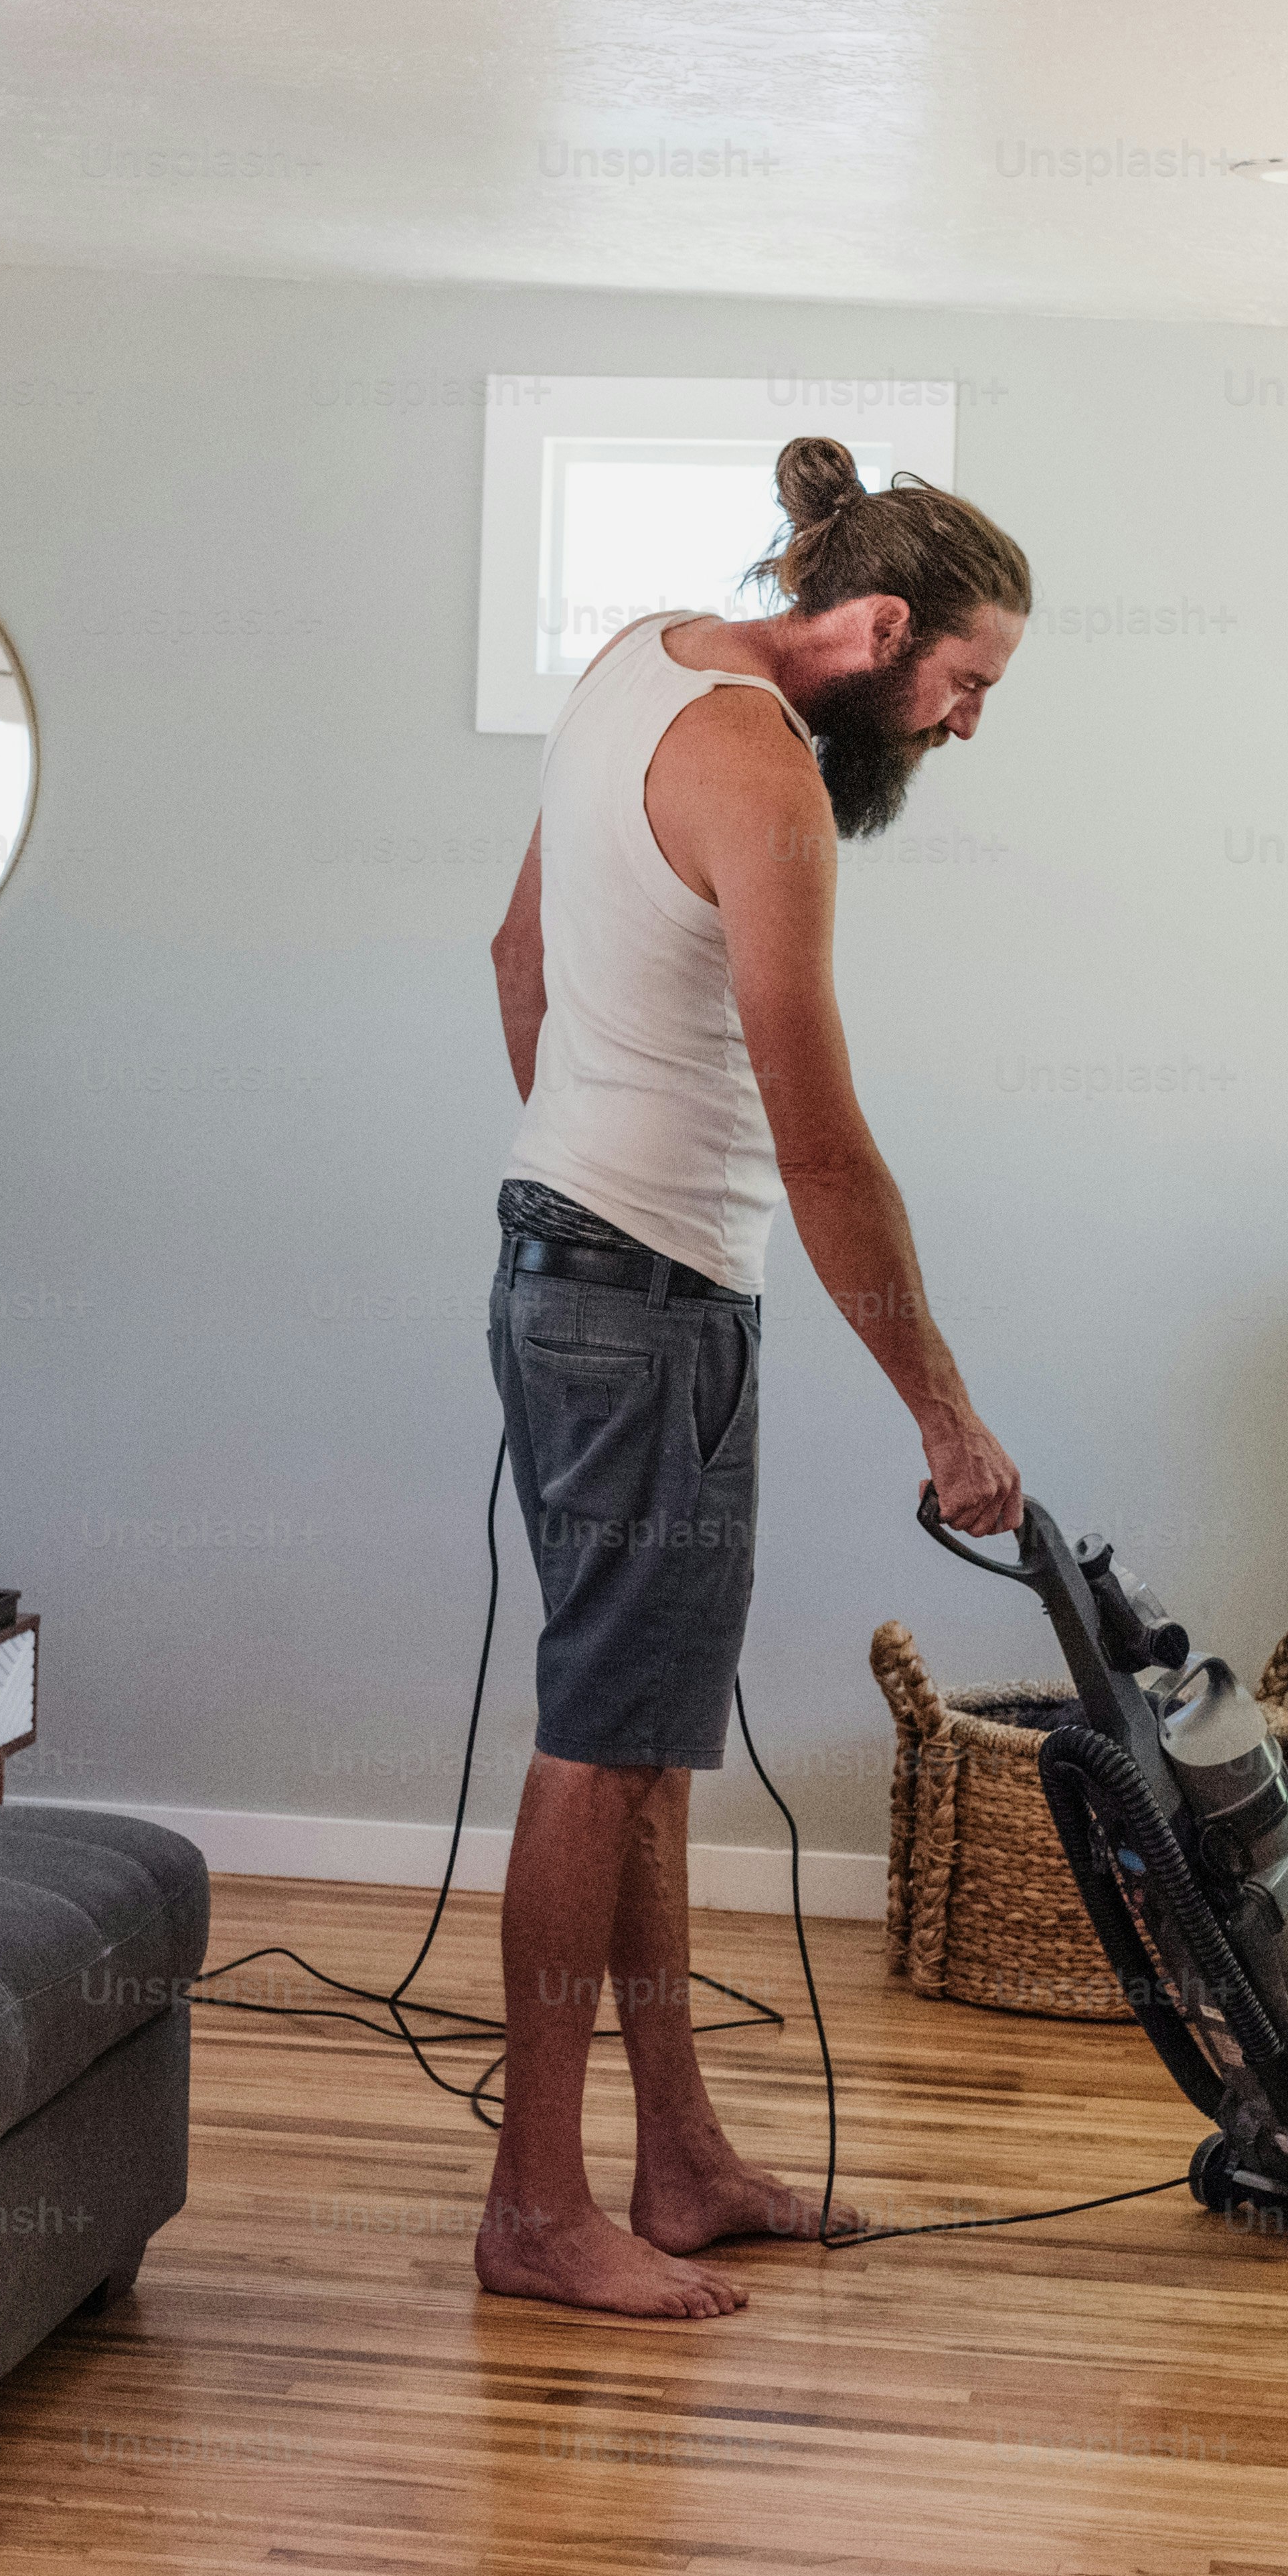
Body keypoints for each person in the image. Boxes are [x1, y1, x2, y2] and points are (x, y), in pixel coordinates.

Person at [475, 436, 1033, 2320]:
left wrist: (587, 1170)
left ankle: (682, 2156)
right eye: (965, 685)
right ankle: (538, 2210)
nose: (964, 728)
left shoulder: (635, 662)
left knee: (641, 1747)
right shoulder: (767, 777)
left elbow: (520, 949)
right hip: (647, 1301)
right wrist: (946, 1416)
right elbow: (823, 1141)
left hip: (578, 1264)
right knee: (598, 1751)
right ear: (877, 627)